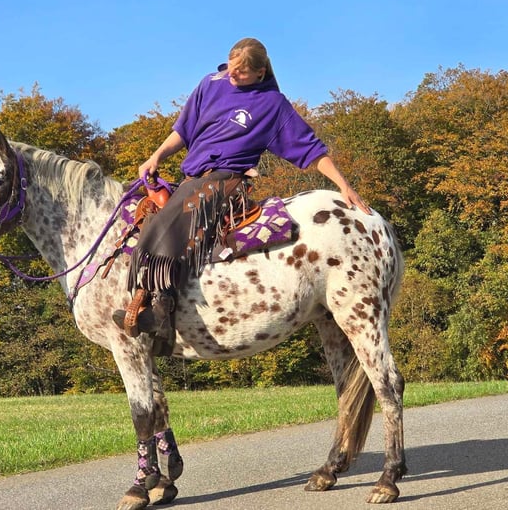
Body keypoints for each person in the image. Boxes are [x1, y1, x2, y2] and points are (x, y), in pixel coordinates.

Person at [113, 37, 371, 355]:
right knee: (154, 212)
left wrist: (343, 185)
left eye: (241, 72)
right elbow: (183, 130)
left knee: (168, 223)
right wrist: (156, 156)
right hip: (193, 175)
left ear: (261, 72)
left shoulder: (273, 104)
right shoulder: (211, 84)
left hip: (225, 180)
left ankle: (161, 316)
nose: (233, 76)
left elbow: (310, 149)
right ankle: (154, 300)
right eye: (231, 68)